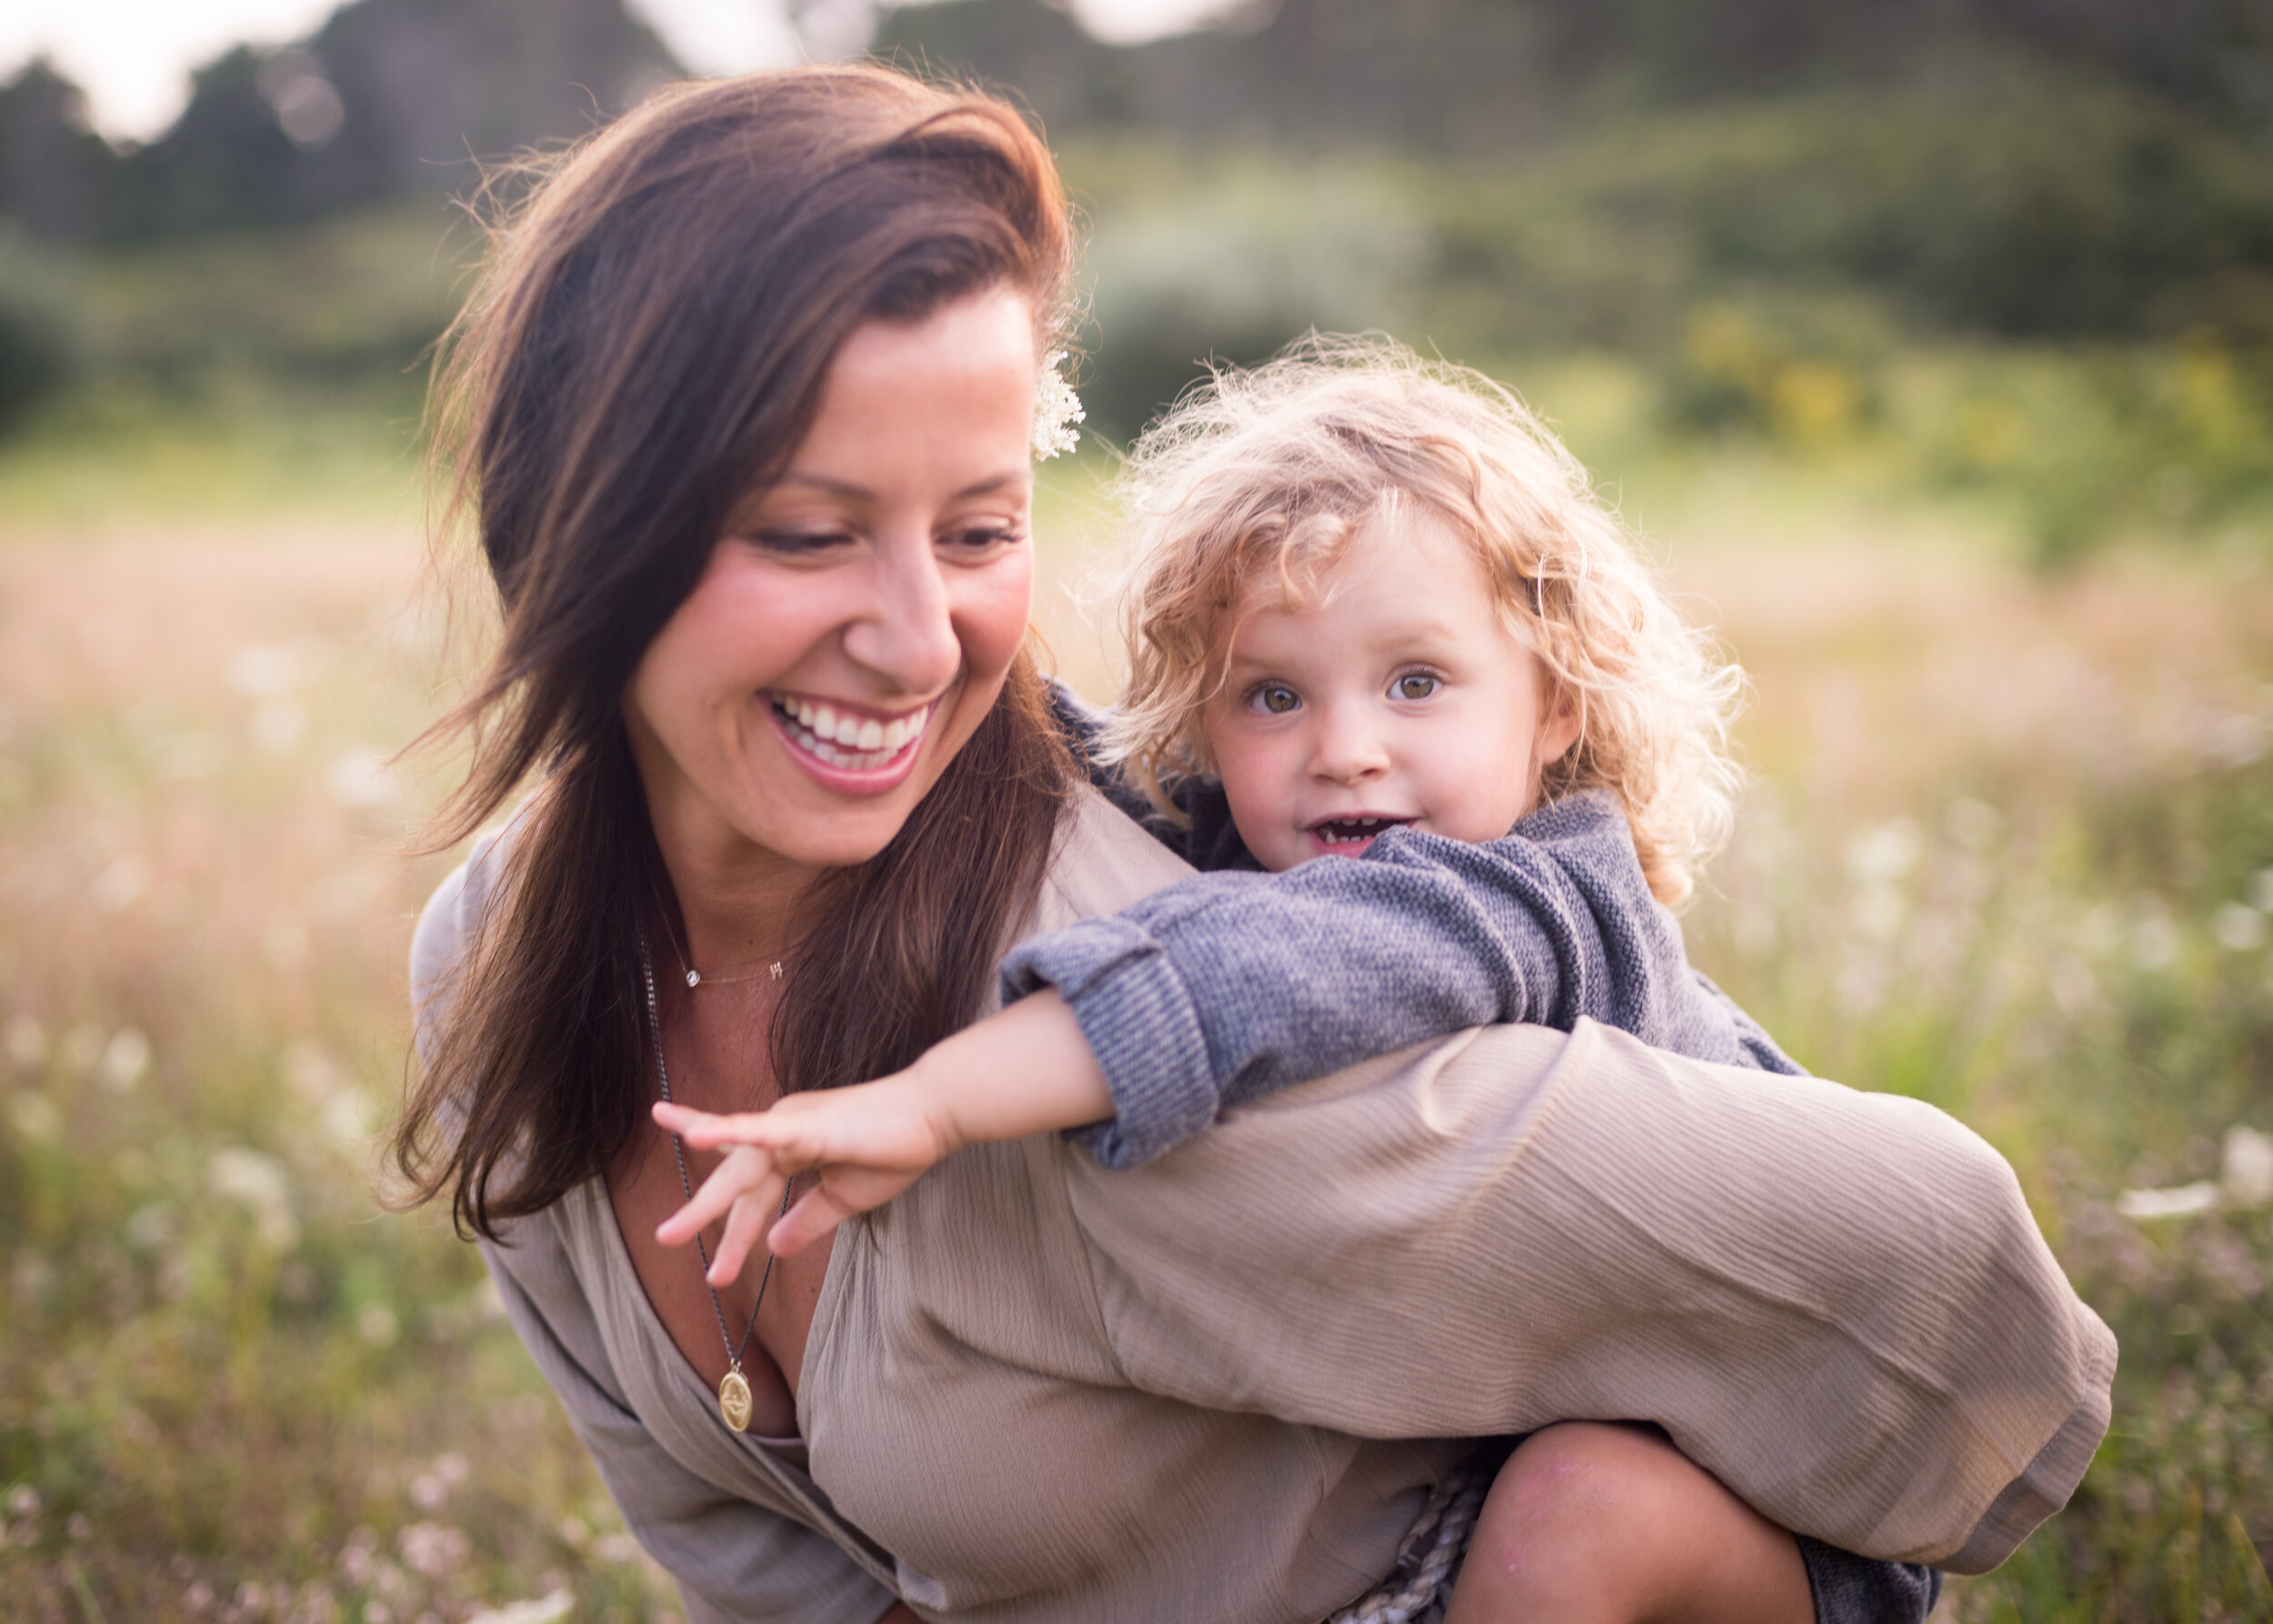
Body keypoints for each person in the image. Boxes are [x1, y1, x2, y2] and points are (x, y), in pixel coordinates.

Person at [396, 63, 2115, 1624]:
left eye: (983, 526)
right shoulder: (502, 958)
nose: (921, 640)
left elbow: (1928, 1252)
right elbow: (763, 1563)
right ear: (576, 523)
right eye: (808, 531)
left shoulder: (1172, 1013)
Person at [649, 338, 1933, 1619]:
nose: (1346, 750)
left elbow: (1255, 970)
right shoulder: (1270, 832)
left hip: (1752, 1503)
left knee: (1572, 1513)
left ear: (1554, 705)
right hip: (1454, 1493)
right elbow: (1076, 768)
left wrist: (936, 1101)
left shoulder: (1524, 894)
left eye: (1416, 682)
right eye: (1270, 694)